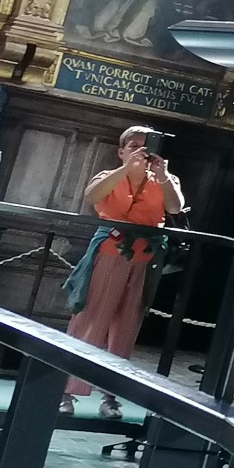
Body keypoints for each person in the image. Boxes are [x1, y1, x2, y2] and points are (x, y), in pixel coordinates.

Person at [62, 127, 185, 418]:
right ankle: (67, 392)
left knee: (126, 328)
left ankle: (110, 396)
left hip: (145, 260)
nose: (141, 150)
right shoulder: (109, 176)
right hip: (109, 254)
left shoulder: (165, 179)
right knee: (91, 321)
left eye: (147, 145)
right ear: (121, 151)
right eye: (133, 146)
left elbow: (175, 207)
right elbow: (92, 196)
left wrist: (162, 174)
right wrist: (127, 169)